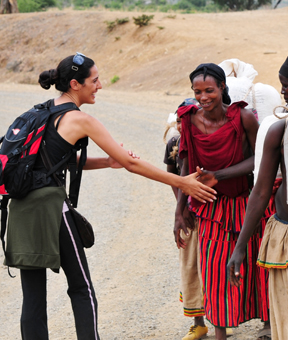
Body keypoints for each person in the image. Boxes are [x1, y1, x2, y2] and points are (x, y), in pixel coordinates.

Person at [3, 53, 218, 340]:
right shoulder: (80, 119)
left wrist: (106, 161)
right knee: (82, 288)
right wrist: (181, 182)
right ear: (76, 84)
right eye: (94, 80)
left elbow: (51, 160)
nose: (100, 85)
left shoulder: (43, 111)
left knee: (33, 297)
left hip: (20, 209)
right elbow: (132, 164)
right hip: (51, 208)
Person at [174, 63, 272, 340]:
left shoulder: (243, 118)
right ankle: (220, 331)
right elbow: (184, 168)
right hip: (208, 206)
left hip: (245, 202)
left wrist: (218, 174)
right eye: (197, 92)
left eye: (209, 90)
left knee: (253, 263)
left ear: (222, 88)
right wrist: (179, 212)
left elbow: (261, 159)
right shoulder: (188, 120)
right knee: (213, 267)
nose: (204, 97)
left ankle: (266, 323)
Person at [228, 57, 288, 340]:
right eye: (282, 85)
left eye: (287, 86)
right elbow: (261, 191)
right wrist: (240, 247)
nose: (283, 92)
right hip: (284, 235)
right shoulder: (280, 130)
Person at [164, 99, 208, 340]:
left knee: (213, 266)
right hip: (189, 216)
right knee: (190, 266)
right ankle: (198, 322)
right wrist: (181, 210)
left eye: (188, 120)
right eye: (181, 120)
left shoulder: (208, 140)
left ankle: (221, 317)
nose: (184, 125)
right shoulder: (175, 143)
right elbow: (173, 177)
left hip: (212, 213)